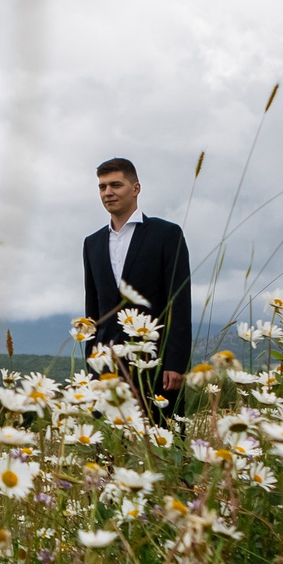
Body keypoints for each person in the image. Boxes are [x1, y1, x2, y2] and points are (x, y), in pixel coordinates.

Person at [81, 157, 192, 415]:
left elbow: (179, 302)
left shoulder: (166, 235)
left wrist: (175, 363)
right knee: (108, 450)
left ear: (135, 188)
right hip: (106, 368)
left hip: (156, 365)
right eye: (102, 187)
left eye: (115, 185)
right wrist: (91, 361)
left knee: (162, 444)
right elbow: (93, 309)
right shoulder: (92, 243)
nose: (108, 192)